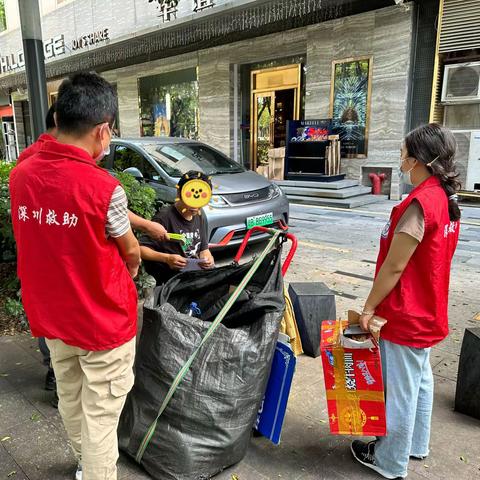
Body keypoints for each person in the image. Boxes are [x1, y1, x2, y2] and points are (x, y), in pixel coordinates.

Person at [10, 72, 141, 480]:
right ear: (103, 130)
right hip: (102, 323)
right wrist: (132, 267)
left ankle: (85, 465)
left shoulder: (21, 174)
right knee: (101, 415)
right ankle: (97, 471)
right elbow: (130, 252)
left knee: (71, 398)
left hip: (55, 318)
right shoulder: (104, 188)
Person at [351, 123, 461, 479]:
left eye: (404, 154)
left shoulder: (420, 204)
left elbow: (394, 266)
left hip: (406, 312)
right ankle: (415, 445)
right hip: (428, 309)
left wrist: (368, 308)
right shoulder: (443, 198)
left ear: (419, 160)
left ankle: (390, 461)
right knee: (420, 380)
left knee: (400, 391)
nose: (401, 159)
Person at [140, 170, 215, 285]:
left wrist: (207, 259)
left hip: (194, 278)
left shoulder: (200, 215)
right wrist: (167, 258)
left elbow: (204, 249)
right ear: (179, 193)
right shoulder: (164, 217)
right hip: (171, 282)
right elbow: (141, 249)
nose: (195, 206)